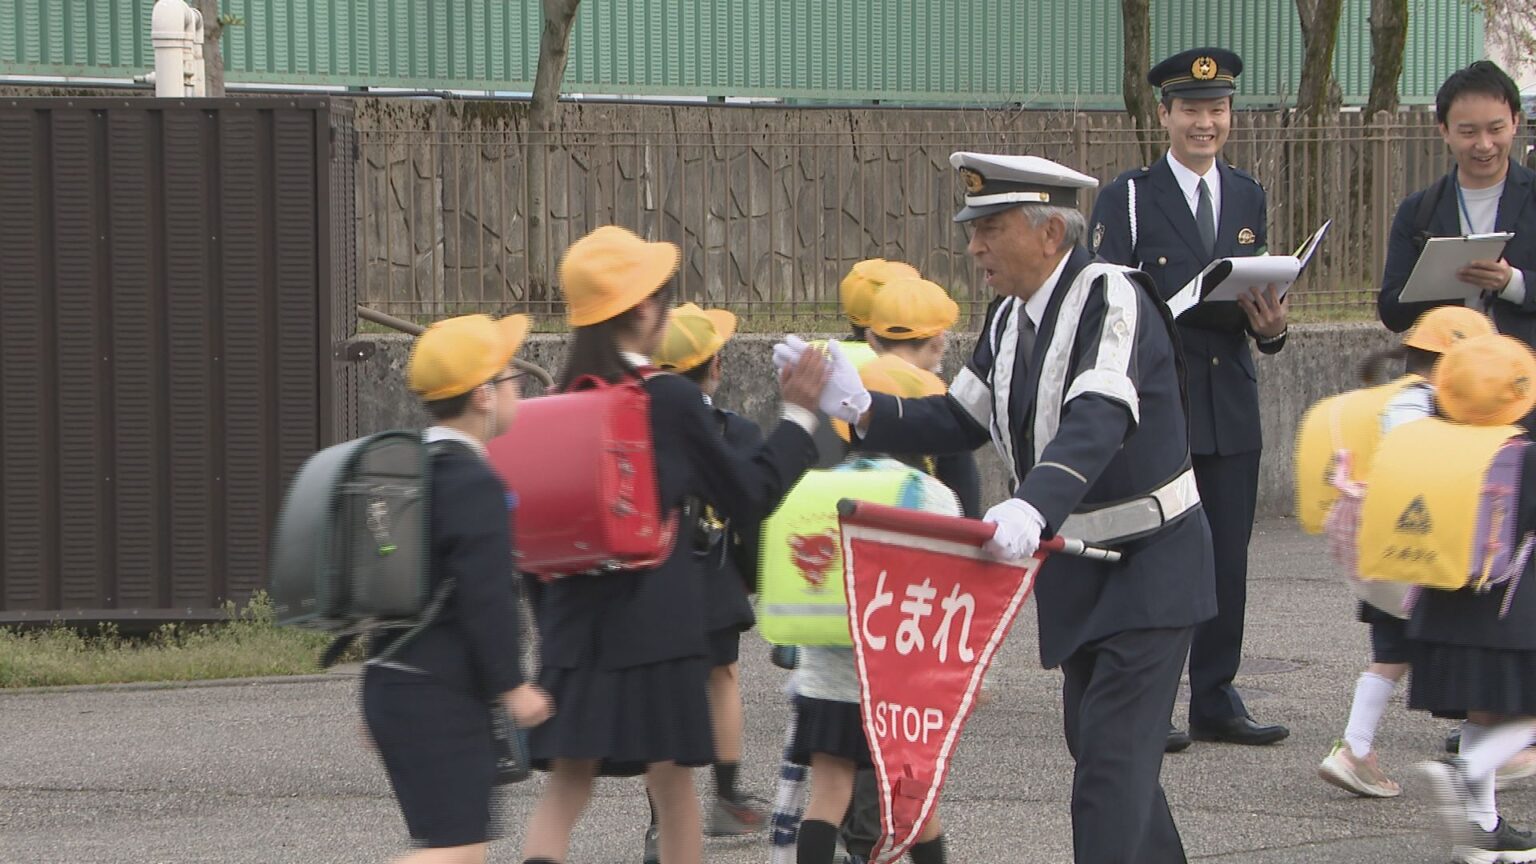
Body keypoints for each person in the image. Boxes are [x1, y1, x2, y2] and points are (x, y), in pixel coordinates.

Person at [781, 152, 1216, 864]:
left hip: (1149, 567)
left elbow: (1099, 414)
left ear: (1051, 233)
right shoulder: (1011, 317)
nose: (975, 246)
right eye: (972, 228)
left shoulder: (1113, 296)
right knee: (1110, 757)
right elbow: (958, 418)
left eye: (991, 227)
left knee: (1109, 773)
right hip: (1078, 571)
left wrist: (1032, 506)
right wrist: (856, 405)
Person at [518, 225, 844, 864]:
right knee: (673, 787)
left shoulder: (558, 401)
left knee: (566, 789)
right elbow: (747, 492)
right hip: (657, 628)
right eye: (662, 299)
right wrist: (801, 417)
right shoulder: (666, 399)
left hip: (571, 630)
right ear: (642, 310)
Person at [1089, 47, 1289, 752]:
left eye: (1218, 109)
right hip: (1161, 401)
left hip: (1228, 399)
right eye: (1192, 110)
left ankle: (1216, 694)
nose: (1206, 123)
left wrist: (1274, 328)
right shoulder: (1130, 198)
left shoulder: (1247, 195)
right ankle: (1153, 698)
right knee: (1157, 557)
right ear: (1165, 115)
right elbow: (1106, 300)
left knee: (1226, 555)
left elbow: (1257, 299)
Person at [362, 312, 555, 864]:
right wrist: (513, 685)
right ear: (483, 396)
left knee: (457, 847)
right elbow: (486, 597)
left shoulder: (411, 470)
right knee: (459, 852)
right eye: (509, 375)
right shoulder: (474, 484)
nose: (518, 383)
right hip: (438, 694)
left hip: (395, 682)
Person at [1354, 334, 1536, 860]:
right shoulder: (1519, 454)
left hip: (1438, 611)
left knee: (1482, 716)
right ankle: (1469, 772)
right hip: (1507, 617)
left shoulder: (1425, 442)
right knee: (1514, 719)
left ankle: (1481, 826)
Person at [1311, 307, 1495, 798]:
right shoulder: (1417, 406)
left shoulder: (1388, 398)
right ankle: (1498, 753)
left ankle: (1355, 747)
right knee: (1474, 648)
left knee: (1391, 651)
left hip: (1382, 548)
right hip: (1415, 547)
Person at [787, 358, 962, 864]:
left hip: (826, 674)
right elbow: (954, 590)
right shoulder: (933, 497)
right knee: (917, 804)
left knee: (828, 793)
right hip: (901, 682)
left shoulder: (820, 486)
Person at [638, 302, 770, 863]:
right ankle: (726, 795)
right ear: (715, 366)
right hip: (716, 578)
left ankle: (657, 822)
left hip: (650, 578)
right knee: (722, 677)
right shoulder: (735, 430)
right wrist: (752, 577)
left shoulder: (633, 421)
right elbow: (753, 512)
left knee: (660, 690)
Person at [1378, 61, 1536, 350]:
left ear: (1515, 122)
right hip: (1444, 380)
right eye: (1468, 132)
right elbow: (1391, 313)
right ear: (1445, 130)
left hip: (1525, 381)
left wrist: (1511, 282)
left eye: (1495, 128)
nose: (1484, 144)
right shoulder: (1418, 210)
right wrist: (1431, 281)